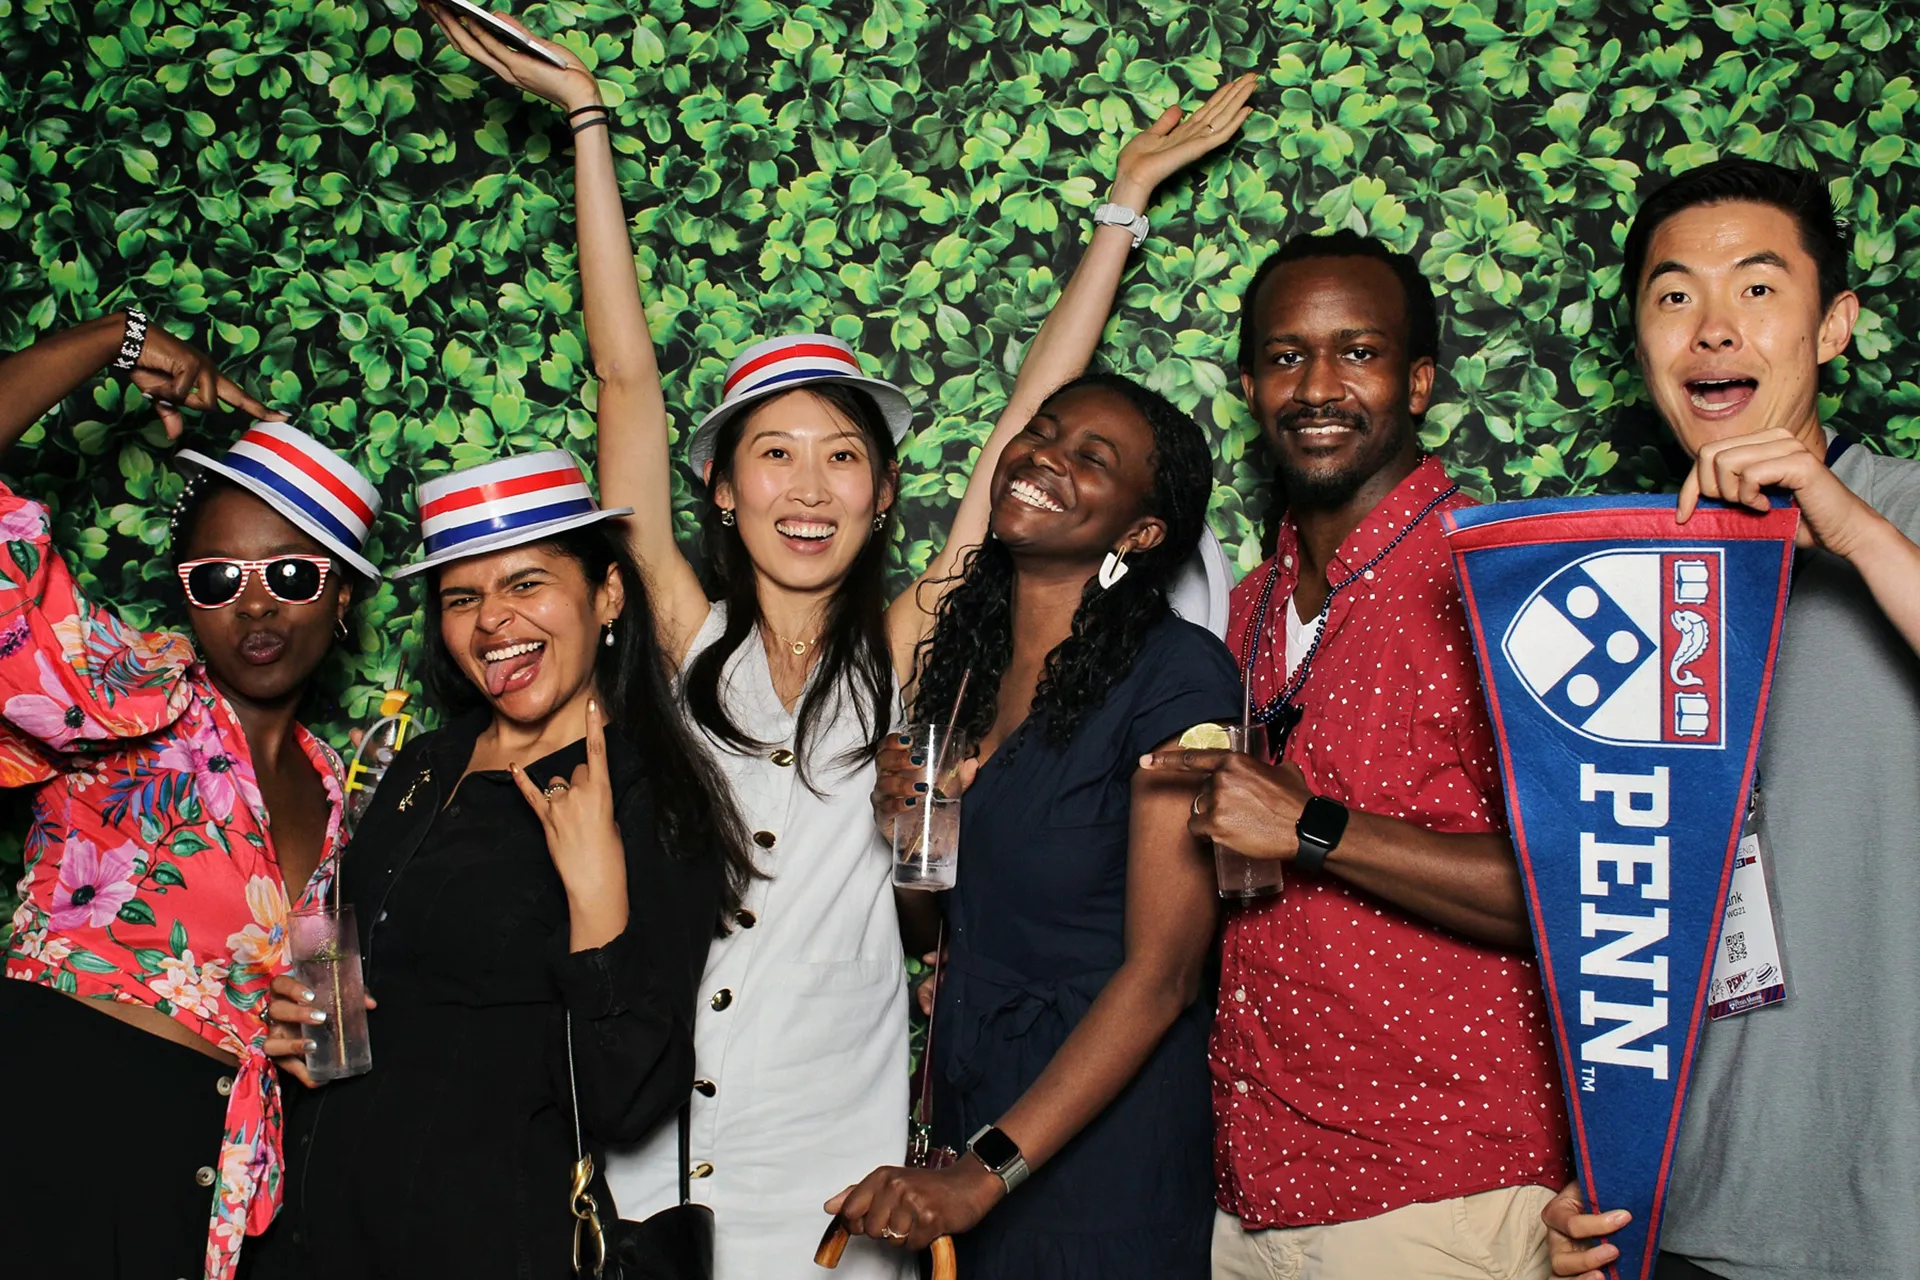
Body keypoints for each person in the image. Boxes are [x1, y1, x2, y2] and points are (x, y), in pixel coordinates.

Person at [421, 7, 1257, 1276]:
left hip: (839, 1148)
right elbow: (624, 380)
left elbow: (1023, 434)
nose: (806, 489)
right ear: (719, 491)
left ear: (880, 495)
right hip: (662, 1136)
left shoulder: (913, 645)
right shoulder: (682, 630)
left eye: (843, 457)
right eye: (773, 454)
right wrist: (589, 122)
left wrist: (1120, 211)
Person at [1138, 230, 1572, 1278]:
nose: (1317, 386)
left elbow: (1580, 893)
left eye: (1358, 352)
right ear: (1248, 384)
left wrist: (1313, 827)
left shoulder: (1504, 584)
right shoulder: (1245, 611)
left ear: (1419, 380)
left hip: (1440, 1194)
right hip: (1254, 1193)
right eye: (1286, 357)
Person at [1544, 160, 1920, 1280]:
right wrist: (1598, 1164)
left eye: (1757, 289)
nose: (1713, 328)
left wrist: (1849, 530)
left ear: (1835, 323)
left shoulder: (1898, 513)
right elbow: (1607, 891)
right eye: (1674, 296)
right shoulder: (1612, 580)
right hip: (1688, 1217)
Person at [248, 449, 752, 1279]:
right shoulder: (418, 767)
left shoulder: (646, 798)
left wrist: (596, 899)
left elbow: (627, 1104)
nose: (492, 621)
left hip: (479, 1241)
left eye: (525, 584)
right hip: (313, 1229)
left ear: (608, 594)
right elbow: (342, 962)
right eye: (462, 597)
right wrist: (295, 1027)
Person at [833, 370, 1243, 1277]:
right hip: (969, 1113)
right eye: (1044, 432)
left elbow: (1166, 975)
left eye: (1093, 458)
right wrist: (910, 822)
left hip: (1099, 1152)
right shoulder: (964, 676)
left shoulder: (1175, 676)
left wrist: (985, 1174)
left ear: (1140, 533)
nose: (1047, 457)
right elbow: (937, 933)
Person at [0, 312, 380, 1280]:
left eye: (290, 573)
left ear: (343, 600)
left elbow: (328, 1039)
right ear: (187, 600)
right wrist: (111, 342)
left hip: (213, 1177)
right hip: (52, 1120)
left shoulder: (343, 789)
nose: (254, 604)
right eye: (218, 579)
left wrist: (317, 1027)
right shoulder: (132, 688)